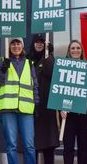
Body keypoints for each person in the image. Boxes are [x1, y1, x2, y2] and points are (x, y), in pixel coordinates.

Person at [0, 38, 39, 164]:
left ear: (22, 46)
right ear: (9, 46)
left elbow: (34, 86)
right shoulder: (2, 61)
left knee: (29, 145)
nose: (16, 46)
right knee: (11, 145)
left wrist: (36, 105)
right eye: (13, 43)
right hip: (7, 109)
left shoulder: (29, 63)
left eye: (18, 43)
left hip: (26, 109)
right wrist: (2, 70)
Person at [61, 40, 87, 164]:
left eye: (78, 48)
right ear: (69, 51)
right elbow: (59, 90)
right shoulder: (63, 68)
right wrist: (61, 108)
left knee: (84, 145)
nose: (75, 50)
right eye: (73, 48)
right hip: (68, 111)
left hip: (85, 110)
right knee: (68, 146)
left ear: (82, 50)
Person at [27, 34, 59, 164]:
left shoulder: (49, 59)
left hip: (47, 108)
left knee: (48, 145)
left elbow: (52, 73)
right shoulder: (28, 60)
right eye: (37, 42)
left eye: (42, 42)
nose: (39, 44)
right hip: (31, 108)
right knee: (32, 144)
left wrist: (49, 55)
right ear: (33, 44)